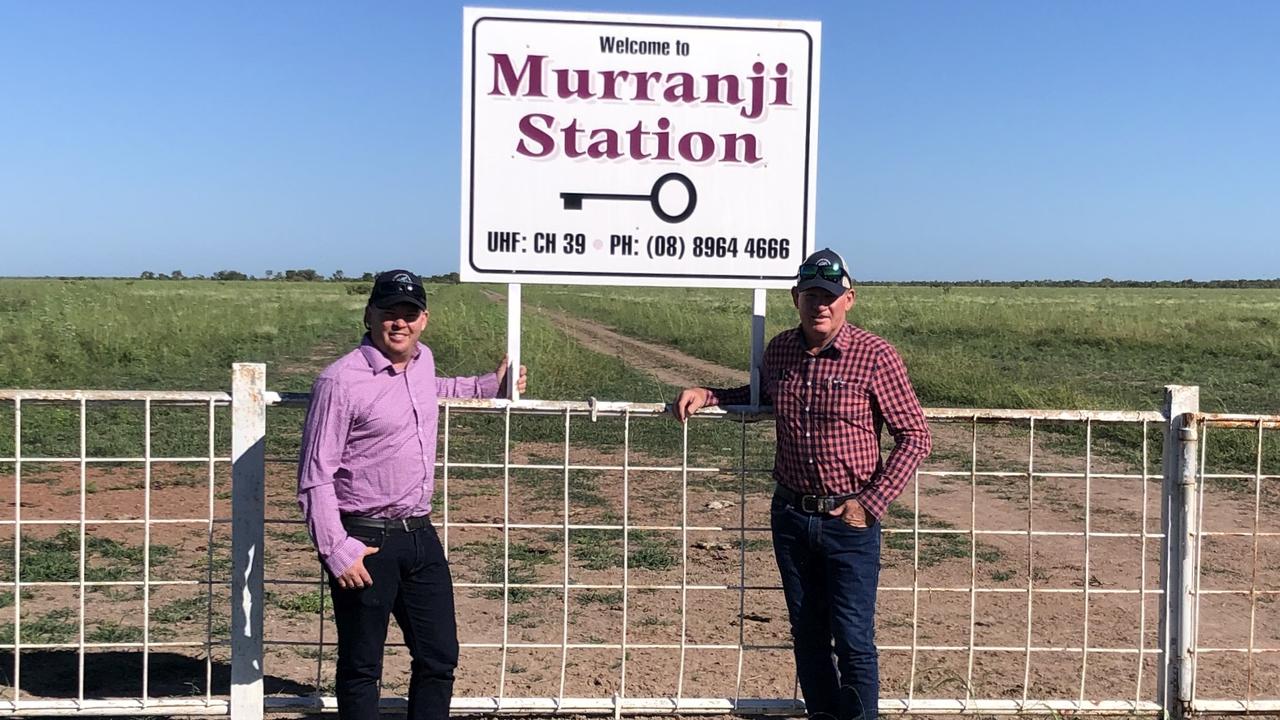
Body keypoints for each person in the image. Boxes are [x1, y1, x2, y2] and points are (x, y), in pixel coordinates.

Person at [672, 249, 931, 720]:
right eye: (811, 295)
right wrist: (707, 395)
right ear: (796, 298)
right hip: (791, 516)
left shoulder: (875, 356)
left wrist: (869, 504)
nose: (821, 306)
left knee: (853, 639)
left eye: (830, 297)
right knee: (808, 634)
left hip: (848, 522)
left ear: (849, 300)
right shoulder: (781, 351)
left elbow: (915, 435)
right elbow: (761, 397)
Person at [297, 269, 527, 720]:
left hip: (420, 534)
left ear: (424, 319)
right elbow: (314, 476)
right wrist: (337, 549)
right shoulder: (340, 381)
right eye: (389, 312)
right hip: (364, 538)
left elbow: (431, 392)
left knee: (439, 656)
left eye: (409, 313)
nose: (399, 322)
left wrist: (487, 385)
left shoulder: (423, 361)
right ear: (369, 315)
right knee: (363, 666)